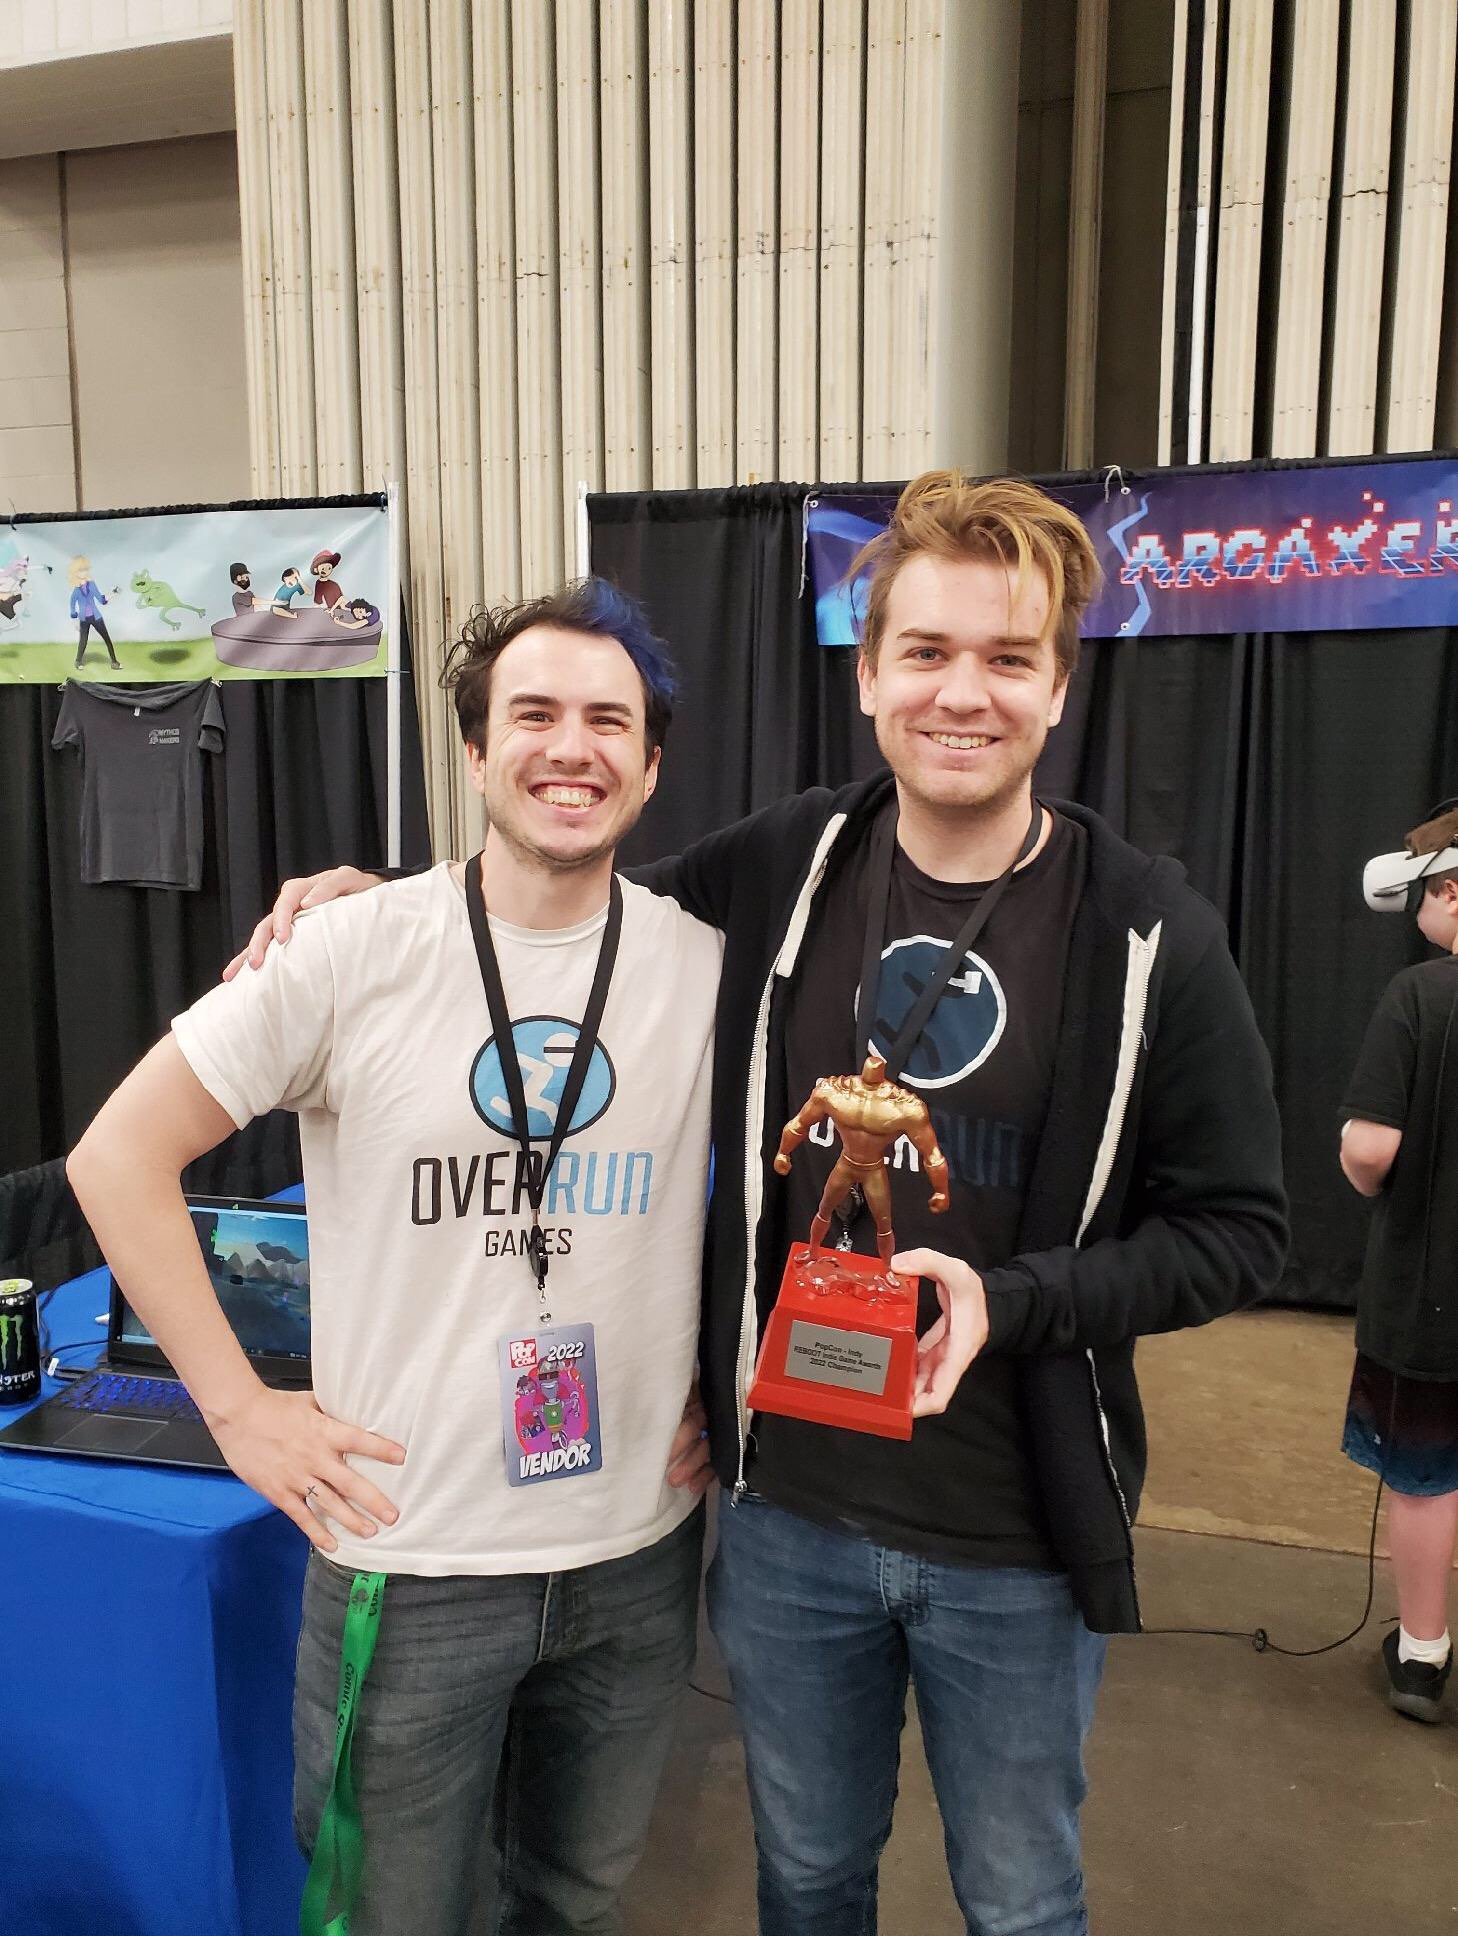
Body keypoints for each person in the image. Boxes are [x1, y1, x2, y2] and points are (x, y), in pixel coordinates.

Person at [235, 471, 1289, 1936]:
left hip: (1015, 1537)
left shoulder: (1145, 931)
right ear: (867, 677)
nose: (960, 694)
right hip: (786, 1516)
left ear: (1058, 684)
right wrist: (387, 901)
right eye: (923, 652)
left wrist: (1020, 1300)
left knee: (1021, 1896)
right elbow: (559, 904)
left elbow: (1241, 1232)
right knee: (803, 1877)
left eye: (1005, 658)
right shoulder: (791, 865)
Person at [71, 579, 747, 1936]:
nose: (574, 747)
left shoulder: (708, 968)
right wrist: (239, 1410)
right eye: (536, 714)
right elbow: (114, 1160)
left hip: (635, 1549)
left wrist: (717, 1384)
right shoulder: (349, 951)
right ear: (477, 752)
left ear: (653, 763)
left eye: (609, 721)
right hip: (412, 1551)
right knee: (385, 1912)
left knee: (573, 1895)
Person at [1339, 799, 1458, 1724]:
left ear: (1449, 894)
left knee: (1428, 1473)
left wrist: (1371, 1184)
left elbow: (1372, 1149)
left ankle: (1421, 1658)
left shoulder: (1419, 998)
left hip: (1434, 1296)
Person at [69, 555, 119, 668]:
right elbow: (72, 604)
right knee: (83, 641)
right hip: (83, 619)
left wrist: (112, 595)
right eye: (81, 570)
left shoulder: (92, 585)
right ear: (75, 572)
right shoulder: (76, 590)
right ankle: (78, 661)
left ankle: (114, 662)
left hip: (96, 617)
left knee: (107, 639)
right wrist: (74, 620)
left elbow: (101, 600)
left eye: (86, 569)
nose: (84, 572)